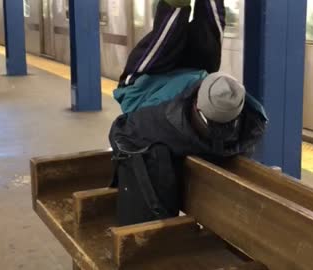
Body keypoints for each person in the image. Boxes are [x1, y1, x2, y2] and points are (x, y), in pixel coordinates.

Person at [109, 0, 267, 225]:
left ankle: (176, 5)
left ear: (197, 108)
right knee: (207, 38)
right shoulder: (243, 129)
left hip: (146, 89)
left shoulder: (161, 122)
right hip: (192, 81)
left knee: (167, 36)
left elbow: (121, 129)